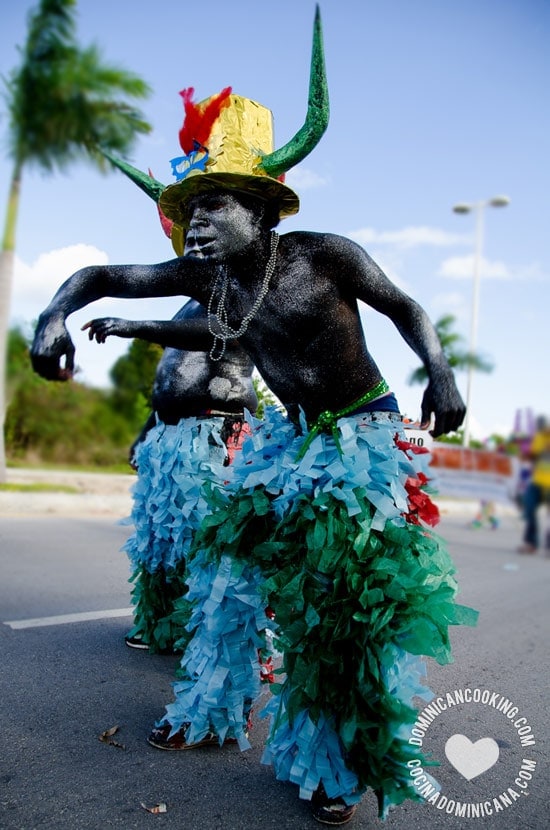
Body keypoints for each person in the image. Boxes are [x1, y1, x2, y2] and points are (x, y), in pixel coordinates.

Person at [30, 18, 476, 825]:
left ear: (262, 212)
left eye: (214, 205)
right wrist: (54, 315)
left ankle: (334, 764)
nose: (195, 222)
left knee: (335, 610)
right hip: (282, 446)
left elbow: (406, 306)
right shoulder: (211, 285)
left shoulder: (322, 256)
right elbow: (101, 274)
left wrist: (439, 369)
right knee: (230, 578)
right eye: (191, 208)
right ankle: (210, 713)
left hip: (360, 447)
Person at [90, 297, 257, 654]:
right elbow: (171, 384)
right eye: (188, 237)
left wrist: (134, 326)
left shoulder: (239, 292)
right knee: (159, 539)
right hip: (168, 438)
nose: (197, 244)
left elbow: (215, 333)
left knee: (210, 542)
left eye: (203, 238)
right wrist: (145, 434)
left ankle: (214, 637)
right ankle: (161, 625)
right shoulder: (189, 302)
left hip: (216, 433)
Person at [518, 415, 550, 554]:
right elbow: (534, 455)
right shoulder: (538, 437)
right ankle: (532, 543)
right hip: (537, 481)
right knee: (529, 508)